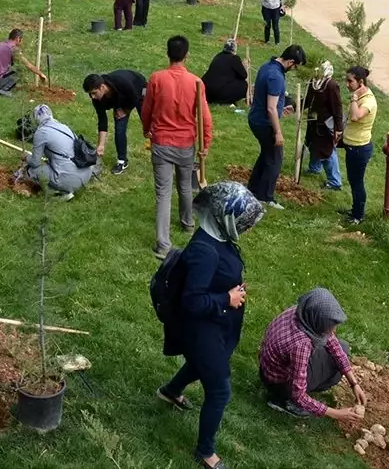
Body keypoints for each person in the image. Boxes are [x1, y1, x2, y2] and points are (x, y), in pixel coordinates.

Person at [157, 181, 265, 469]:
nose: (246, 228)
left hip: (214, 325)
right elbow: (191, 302)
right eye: (243, 222)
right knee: (219, 390)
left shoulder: (216, 236)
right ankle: (205, 452)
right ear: (223, 216)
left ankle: (169, 391)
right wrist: (226, 298)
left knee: (199, 364)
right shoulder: (205, 252)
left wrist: (233, 288)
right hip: (199, 328)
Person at [143, 36, 214, 259]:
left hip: (162, 142)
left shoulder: (156, 79)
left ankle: (163, 244)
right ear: (186, 55)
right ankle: (188, 223)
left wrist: (146, 129)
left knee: (163, 193)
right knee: (185, 185)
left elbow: (147, 109)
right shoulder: (196, 82)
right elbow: (205, 118)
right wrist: (206, 144)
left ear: (167, 54)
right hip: (185, 144)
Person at [259, 288, 366, 422]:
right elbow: (299, 394)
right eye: (330, 326)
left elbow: (332, 342)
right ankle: (284, 401)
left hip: (268, 368)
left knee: (342, 348)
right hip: (278, 383)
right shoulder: (301, 345)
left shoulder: (303, 313)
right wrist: (337, 414)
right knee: (335, 374)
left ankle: (284, 396)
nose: (333, 330)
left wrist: (354, 383)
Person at [247, 46, 307, 208]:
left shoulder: (267, 66)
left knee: (267, 154)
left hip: (255, 118)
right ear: (291, 62)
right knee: (275, 159)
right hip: (264, 123)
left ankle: (253, 188)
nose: (294, 70)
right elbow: (271, 108)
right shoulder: (276, 77)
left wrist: (282, 109)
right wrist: (278, 132)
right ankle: (265, 196)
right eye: (295, 67)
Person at [21, 105, 97, 200]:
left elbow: (35, 163)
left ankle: (59, 194)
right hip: (86, 175)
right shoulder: (64, 127)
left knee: (31, 171)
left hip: (71, 179)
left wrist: (26, 157)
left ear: (36, 120)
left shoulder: (41, 132)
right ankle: (68, 185)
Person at [83, 69, 146, 174]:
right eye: (90, 94)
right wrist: (101, 145)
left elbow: (135, 98)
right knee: (119, 128)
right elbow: (102, 120)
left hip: (139, 87)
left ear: (102, 87)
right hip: (119, 99)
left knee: (147, 120)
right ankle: (122, 161)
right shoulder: (96, 99)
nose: (92, 97)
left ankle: (159, 149)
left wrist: (125, 110)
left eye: (94, 93)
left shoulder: (121, 82)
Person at [341, 65, 377, 224]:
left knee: (357, 182)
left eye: (350, 81)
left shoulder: (368, 100)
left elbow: (356, 116)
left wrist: (354, 97)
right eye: (346, 81)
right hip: (351, 145)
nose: (347, 84)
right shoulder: (361, 97)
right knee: (352, 179)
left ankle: (358, 216)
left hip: (359, 148)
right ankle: (355, 210)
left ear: (360, 82)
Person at [304, 61, 344, 191]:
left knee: (327, 150)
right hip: (314, 121)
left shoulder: (331, 85)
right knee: (313, 143)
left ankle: (335, 182)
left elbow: (337, 108)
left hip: (325, 124)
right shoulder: (314, 82)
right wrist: (294, 106)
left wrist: (338, 128)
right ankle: (314, 168)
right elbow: (308, 100)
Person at [0, 28, 46, 97]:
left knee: (11, 70)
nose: (22, 42)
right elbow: (28, 65)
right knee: (20, 71)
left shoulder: (1, 44)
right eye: (21, 40)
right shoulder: (13, 49)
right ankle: (3, 89)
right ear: (18, 39)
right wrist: (41, 74)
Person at [202, 39, 248, 106]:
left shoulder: (218, 56)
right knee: (243, 84)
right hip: (217, 93)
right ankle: (223, 101)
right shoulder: (234, 58)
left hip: (206, 91)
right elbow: (244, 75)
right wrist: (244, 66)